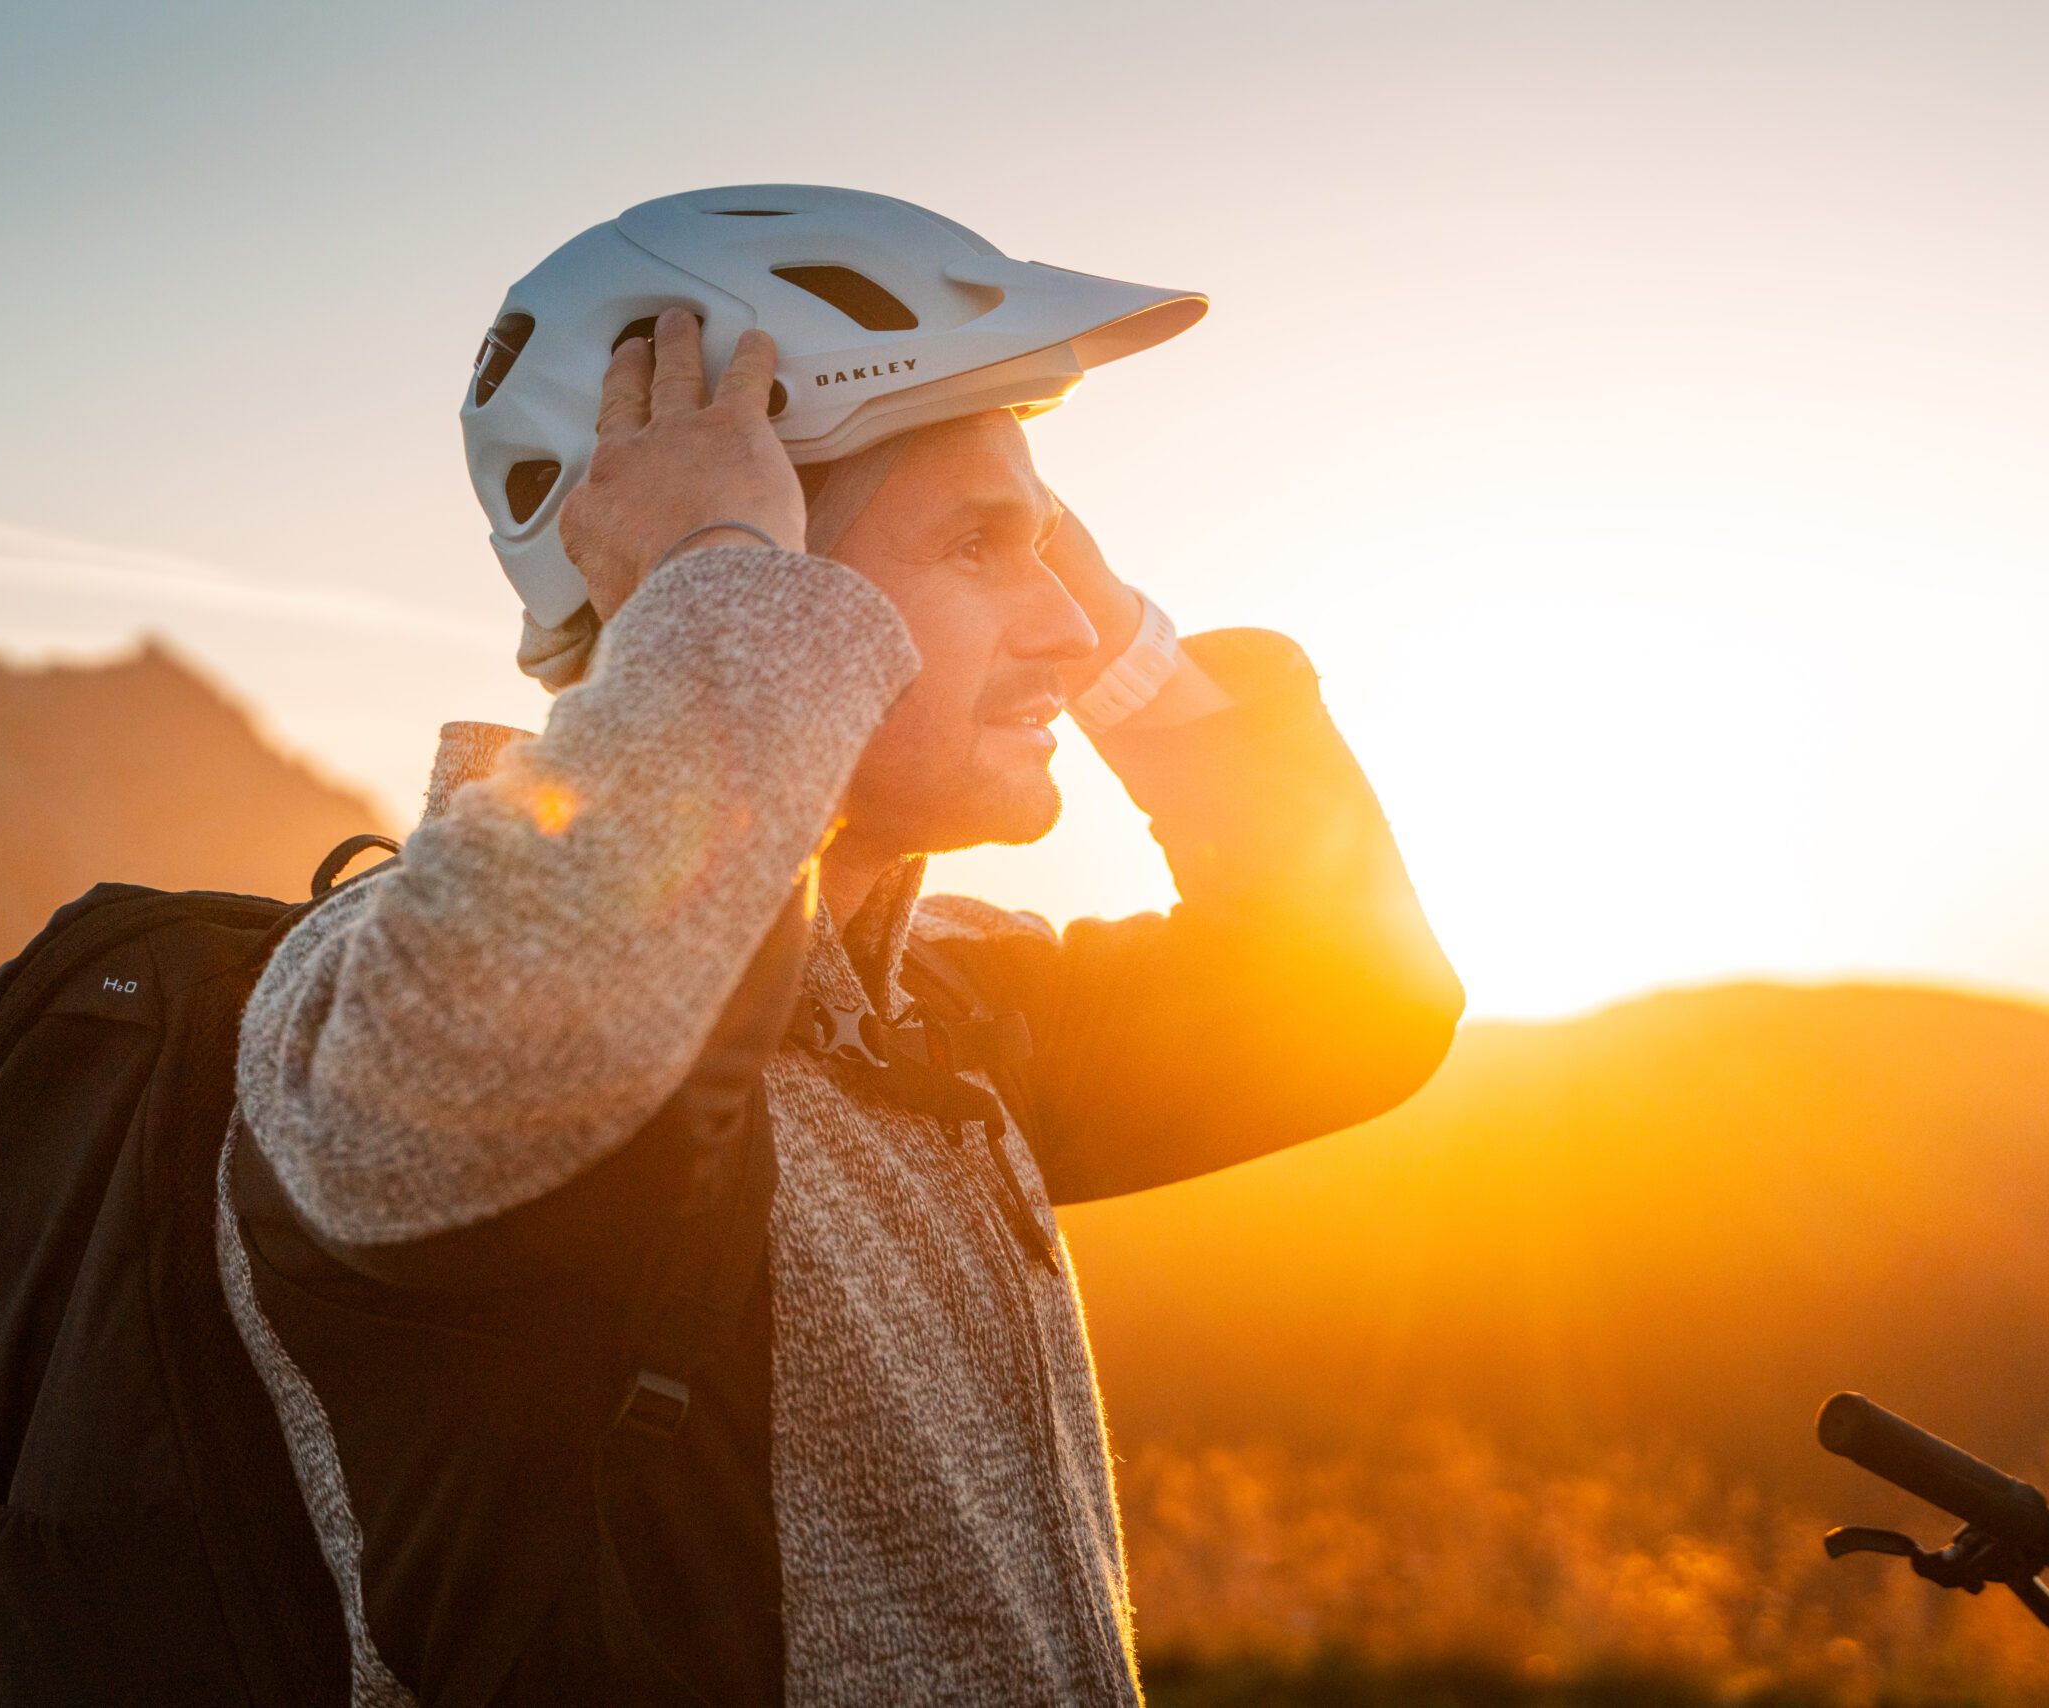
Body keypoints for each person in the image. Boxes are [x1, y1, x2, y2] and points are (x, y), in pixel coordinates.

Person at [218, 185, 1464, 1708]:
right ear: (744, 583)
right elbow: (473, 1072)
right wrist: (711, 580)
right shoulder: (372, 998)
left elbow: (1343, 1002)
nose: (1067, 625)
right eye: (982, 547)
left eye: (1053, 545)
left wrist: (1114, 629)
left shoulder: (925, 1013)